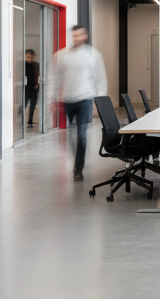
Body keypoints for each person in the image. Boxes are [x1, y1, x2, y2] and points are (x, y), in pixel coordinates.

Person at [52, 24, 107, 181]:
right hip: (68, 100)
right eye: (74, 35)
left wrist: (99, 102)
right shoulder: (61, 56)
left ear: (85, 36)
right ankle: (78, 159)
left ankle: (78, 167)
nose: (76, 38)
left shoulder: (94, 55)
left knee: (81, 134)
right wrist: (53, 98)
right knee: (71, 135)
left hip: (86, 99)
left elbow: (101, 78)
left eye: (79, 35)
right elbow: (56, 78)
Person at [25, 49, 41, 128]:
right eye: (28, 57)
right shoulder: (23, 65)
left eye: (31, 57)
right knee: (24, 104)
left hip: (34, 87)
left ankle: (30, 121)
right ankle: (22, 120)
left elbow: (38, 75)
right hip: (25, 87)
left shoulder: (37, 65)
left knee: (33, 105)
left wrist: (37, 84)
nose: (30, 59)